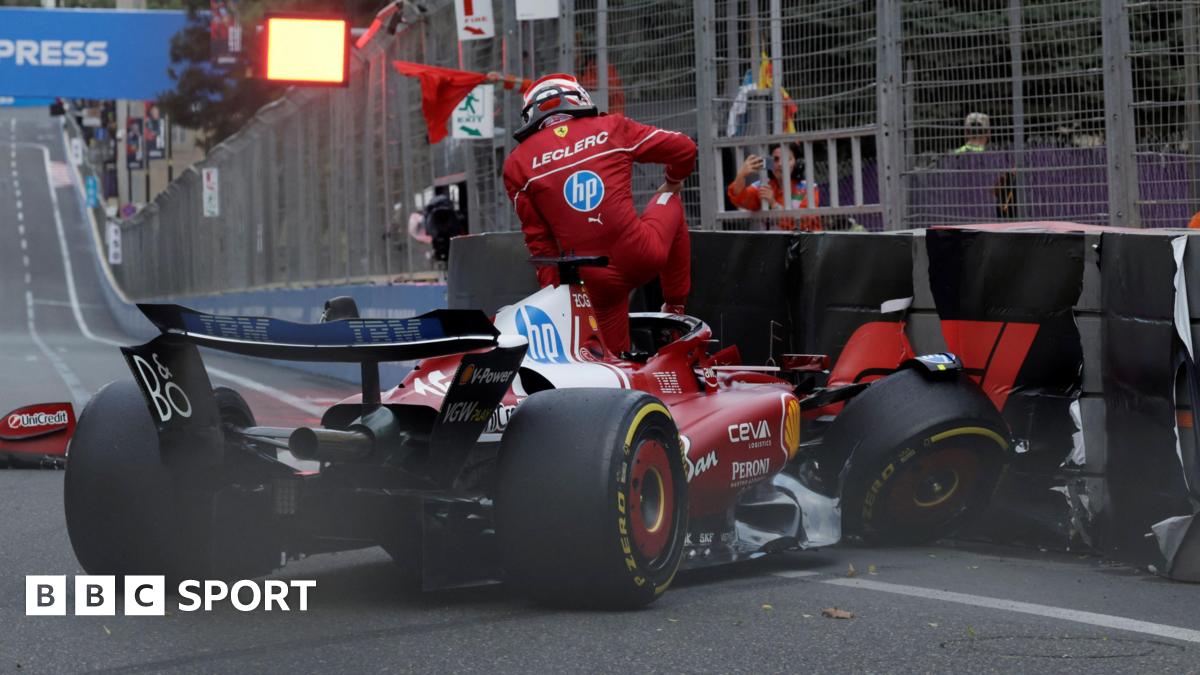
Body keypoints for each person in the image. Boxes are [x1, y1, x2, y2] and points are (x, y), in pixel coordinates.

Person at [502, 73, 696, 354]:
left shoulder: (516, 164)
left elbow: (540, 243)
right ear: (579, 98)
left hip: (593, 279)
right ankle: (675, 312)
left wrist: (559, 300)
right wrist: (673, 180)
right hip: (641, 251)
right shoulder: (611, 126)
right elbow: (685, 149)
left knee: (612, 365)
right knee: (670, 199)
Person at [725, 144, 821, 231]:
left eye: (787, 159)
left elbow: (805, 224)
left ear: (798, 163)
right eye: (776, 159)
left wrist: (774, 204)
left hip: (803, 247)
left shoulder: (808, 188)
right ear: (769, 164)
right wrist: (741, 175)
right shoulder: (762, 185)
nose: (780, 164)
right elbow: (740, 199)